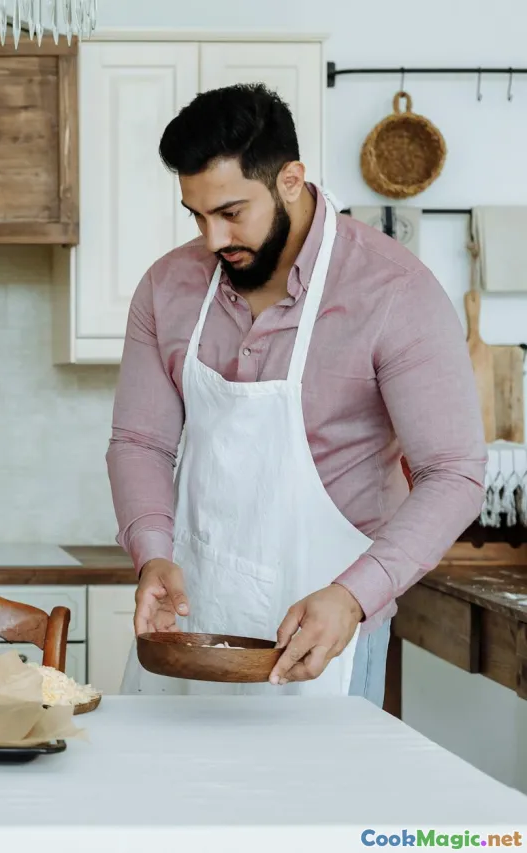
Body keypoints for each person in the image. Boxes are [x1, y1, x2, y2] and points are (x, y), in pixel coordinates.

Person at [107, 83, 486, 703]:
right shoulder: (166, 287)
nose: (211, 240)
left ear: (291, 179)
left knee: (319, 803)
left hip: (325, 634)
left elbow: (455, 473)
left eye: (231, 213)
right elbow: (139, 442)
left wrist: (355, 596)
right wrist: (152, 555)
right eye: (197, 215)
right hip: (192, 622)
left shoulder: (393, 293)